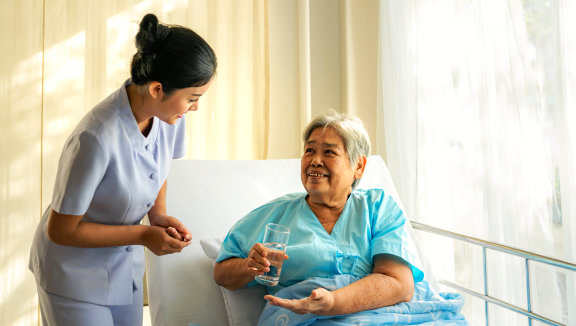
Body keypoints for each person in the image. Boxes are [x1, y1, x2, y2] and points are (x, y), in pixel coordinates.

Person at [29, 13, 217, 326]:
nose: (195, 107)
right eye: (192, 98)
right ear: (157, 89)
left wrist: (157, 215)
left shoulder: (169, 117)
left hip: (123, 270)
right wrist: (144, 234)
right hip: (71, 275)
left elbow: (160, 165)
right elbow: (61, 230)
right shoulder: (96, 138)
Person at [214, 112, 430, 320]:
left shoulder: (378, 208)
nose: (315, 160)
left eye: (329, 152)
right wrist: (249, 266)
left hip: (380, 317)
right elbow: (222, 273)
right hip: (301, 318)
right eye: (309, 150)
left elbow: (398, 283)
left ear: (359, 166)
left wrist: (333, 302)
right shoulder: (275, 214)